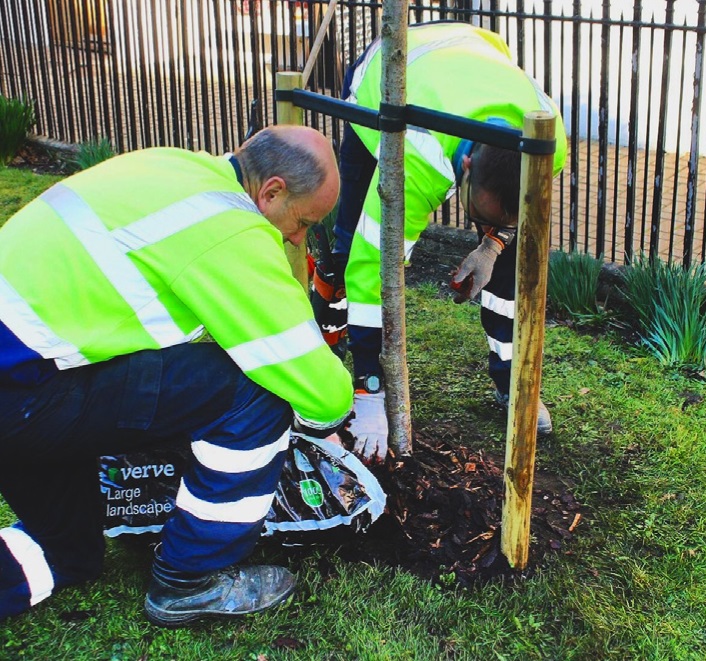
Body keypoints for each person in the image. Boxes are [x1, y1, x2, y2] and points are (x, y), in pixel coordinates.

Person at [0, 125, 353, 626]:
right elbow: (315, 383)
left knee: (69, 553)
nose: (296, 239)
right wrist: (328, 422)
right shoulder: (228, 226)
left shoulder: (170, 164)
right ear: (270, 191)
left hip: (23, 381)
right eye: (301, 222)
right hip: (23, 396)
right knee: (253, 394)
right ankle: (189, 582)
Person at [311, 22, 567, 463]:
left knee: (512, 266)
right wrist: (370, 386)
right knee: (351, 245)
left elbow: (515, 216)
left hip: (468, 54)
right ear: (463, 166)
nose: (483, 226)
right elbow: (375, 266)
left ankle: (511, 384)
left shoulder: (548, 144)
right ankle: (328, 355)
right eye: (478, 216)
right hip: (383, 82)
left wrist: (493, 245)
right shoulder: (416, 160)